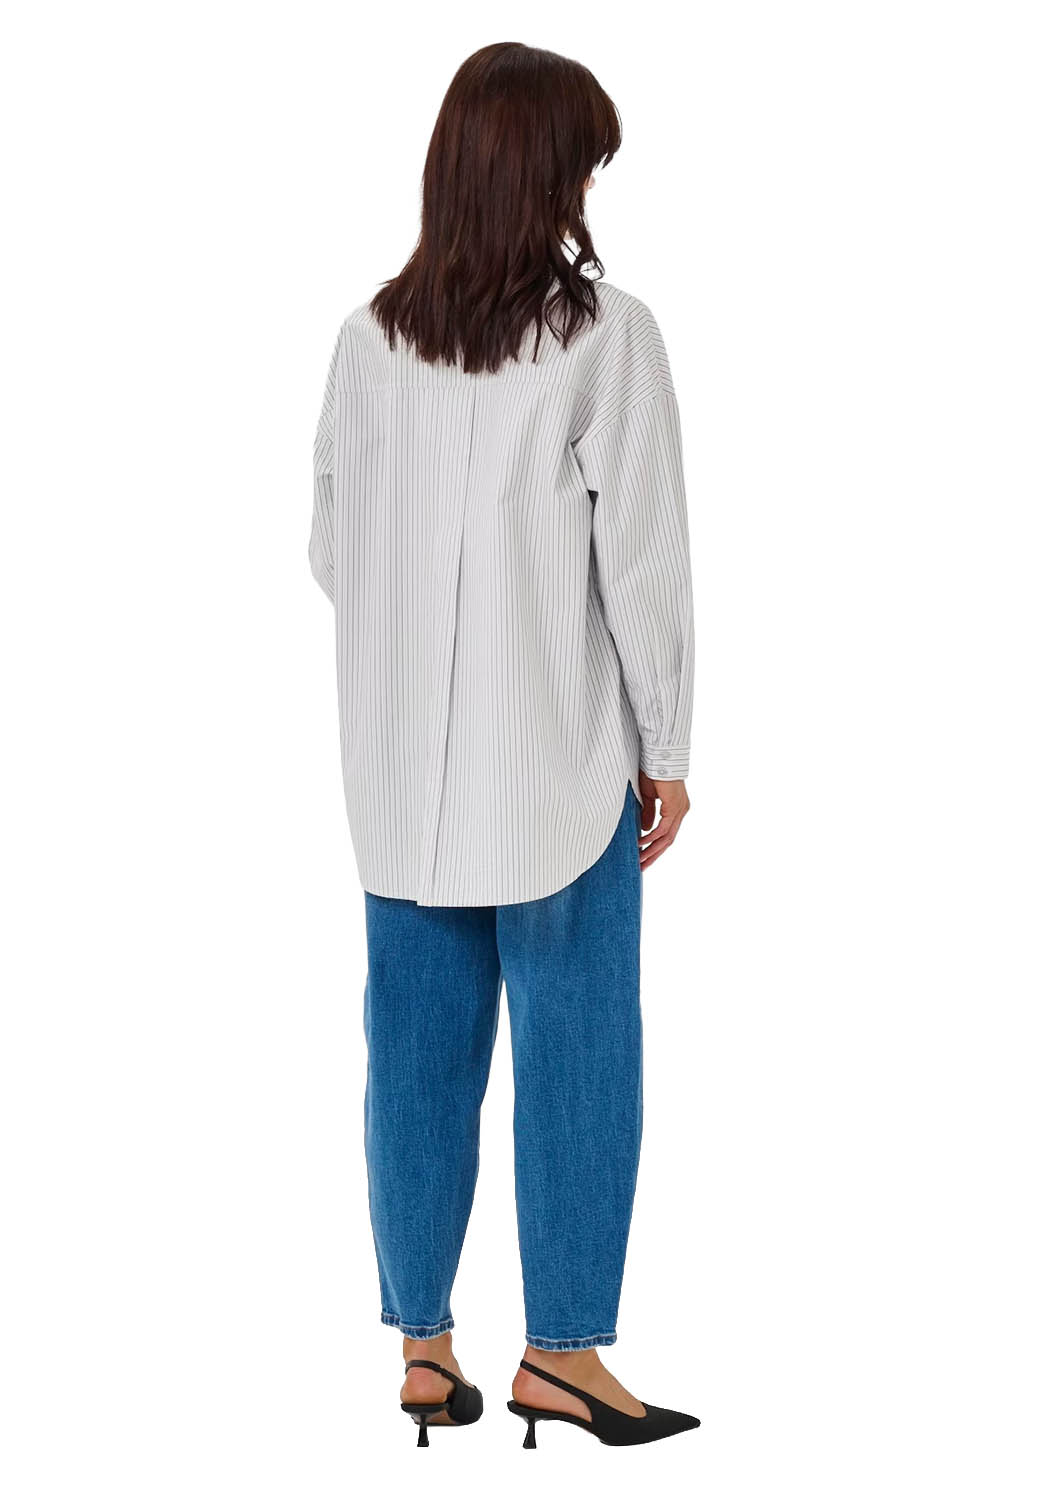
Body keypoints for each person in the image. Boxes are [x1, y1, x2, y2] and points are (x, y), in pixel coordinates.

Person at [310, 41, 698, 1449]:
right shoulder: (606, 338)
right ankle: (564, 1355)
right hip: (557, 766)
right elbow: (641, 567)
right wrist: (667, 748)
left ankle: (425, 1349)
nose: (590, 187)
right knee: (580, 1054)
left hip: (398, 783)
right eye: (583, 163)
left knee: (412, 1061)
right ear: (546, 173)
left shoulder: (366, 342)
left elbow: (330, 546)